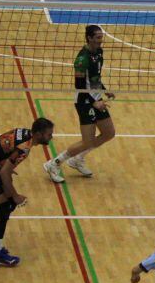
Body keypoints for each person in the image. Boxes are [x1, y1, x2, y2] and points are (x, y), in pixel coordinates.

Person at [0, 118, 55, 267]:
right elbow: (4, 173)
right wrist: (15, 195)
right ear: (37, 134)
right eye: (48, 134)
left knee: (8, 204)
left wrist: (5, 168)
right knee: (5, 206)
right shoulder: (25, 147)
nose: (51, 137)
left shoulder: (22, 132)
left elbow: (1, 152)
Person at [43, 24, 116, 182]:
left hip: (96, 97)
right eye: (97, 38)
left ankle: (77, 159)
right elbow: (80, 85)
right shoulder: (82, 59)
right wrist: (94, 102)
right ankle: (54, 164)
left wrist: (104, 90)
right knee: (87, 140)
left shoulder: (99, 53)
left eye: (101, 37)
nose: (100, 41)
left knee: (109, 132)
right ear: (89, 38)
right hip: (84, 101)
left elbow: (95, 77)